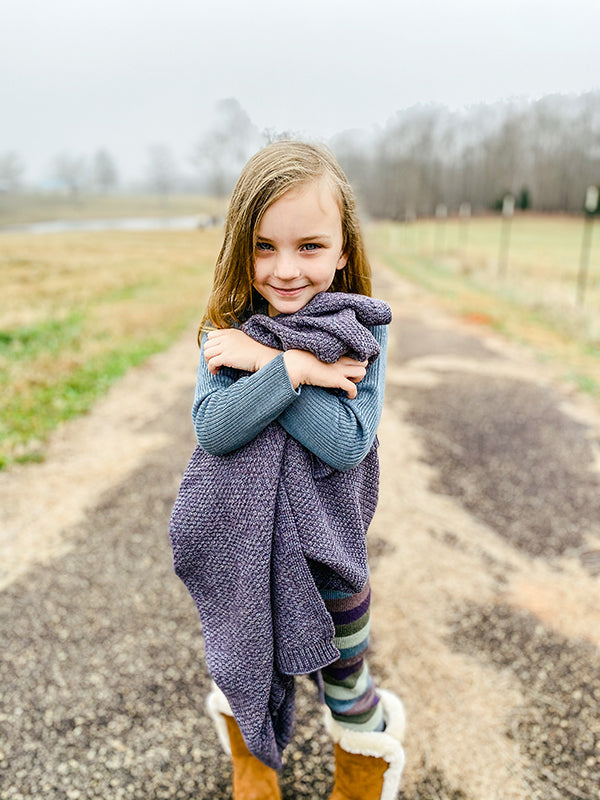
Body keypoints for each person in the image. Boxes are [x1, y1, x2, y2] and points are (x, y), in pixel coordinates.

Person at [169, 141, 406, 800]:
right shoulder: (224, 330)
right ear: (240, 247)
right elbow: (216, 429)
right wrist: (295, 370)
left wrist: (267, 370)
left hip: (330, 554)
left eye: (309, 247)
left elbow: (346, 442)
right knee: (243, 661)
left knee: (347, 680)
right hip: (240, 545)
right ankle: (255, 766)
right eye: (264, 246)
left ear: (343, 250)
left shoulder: (364, 332)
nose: (285, 269)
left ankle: (363, 773)